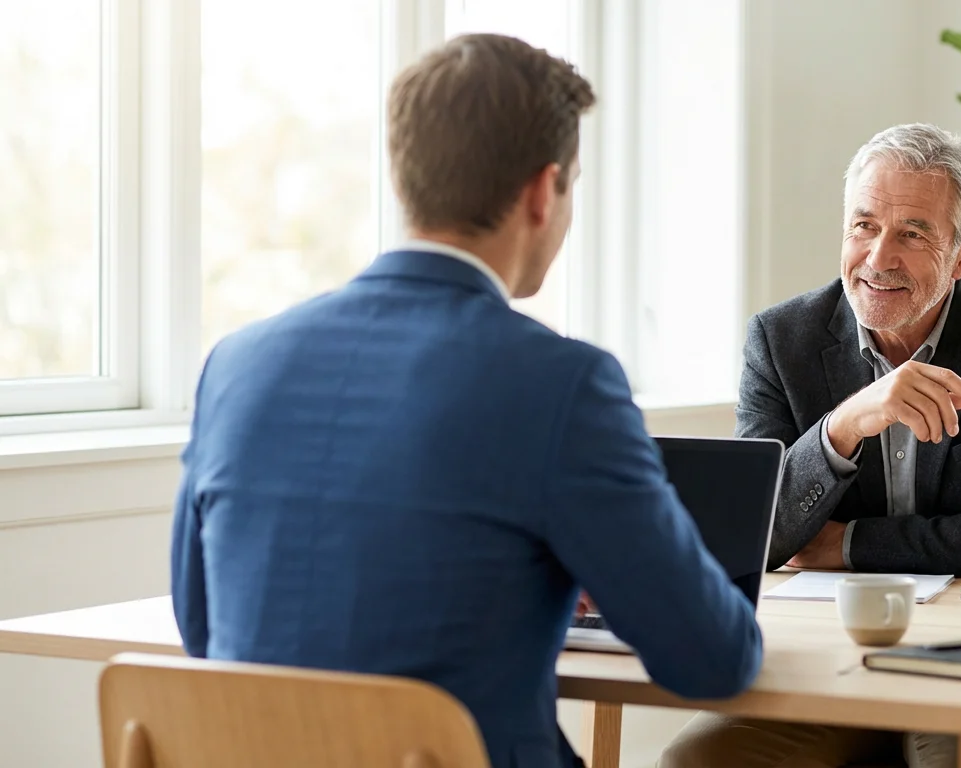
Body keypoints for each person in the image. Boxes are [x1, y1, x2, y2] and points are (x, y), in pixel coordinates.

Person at [171, 34, 762, 768]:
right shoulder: (563, 384)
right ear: (544, 192)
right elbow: (713, 660)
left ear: (405, 176)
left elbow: (202, 630)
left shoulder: (234, 365)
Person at [660, 123, 961, 768]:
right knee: (697, 761)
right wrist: (842, 427)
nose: (879, 257)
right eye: (863, 226)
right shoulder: (781, 339)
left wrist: (846, 544)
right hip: (827, 668)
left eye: (913, 234)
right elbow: (753, 538)